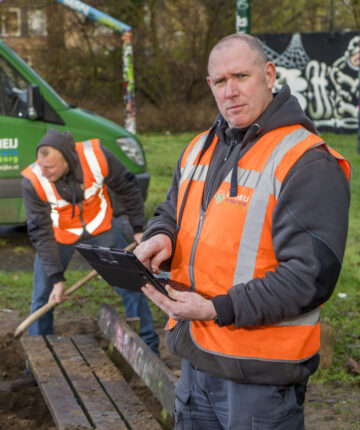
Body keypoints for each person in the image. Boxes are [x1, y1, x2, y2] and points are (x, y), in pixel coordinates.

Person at [134, 34, 351, 429]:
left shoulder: (306, 161)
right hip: (197, 358)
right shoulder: (200, 147)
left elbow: (309, 276)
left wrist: (217, 308)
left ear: (269, 75)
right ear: (209, 86)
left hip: (259, 376)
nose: (230, 91)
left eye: (241, 76)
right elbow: (172, 209)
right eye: (220, 81)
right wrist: (161, 234)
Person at [22, 128, 159, 355]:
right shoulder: (33, 180)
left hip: (100, 228)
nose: (44, 172)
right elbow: (40, 233)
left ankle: (148, 349)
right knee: (43, 296)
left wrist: (137, 228)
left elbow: (128, 187)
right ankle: (40, 355)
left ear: (69, 160)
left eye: (51, 167)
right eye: (41, 165)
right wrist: (57, 278)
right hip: (59, 235)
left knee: (130, 284)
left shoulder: (96, 156)